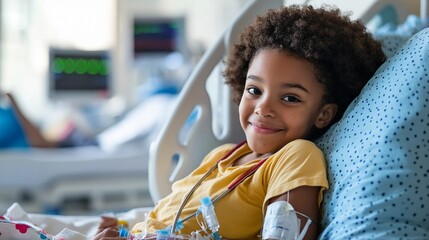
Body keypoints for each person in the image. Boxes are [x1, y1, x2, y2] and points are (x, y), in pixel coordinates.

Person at [94, 4, 386, 240]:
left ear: (324, 113)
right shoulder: (222, 155)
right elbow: (173, 215)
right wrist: (123, 225)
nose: (263, 108)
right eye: (255, 90)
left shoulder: (295, 158)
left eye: (290, 98)